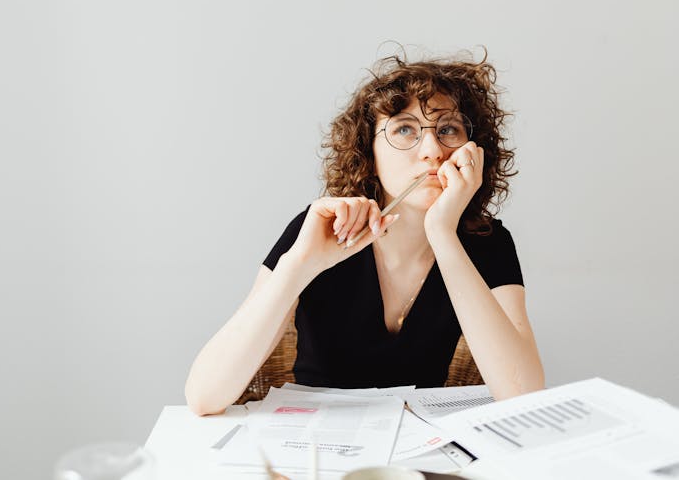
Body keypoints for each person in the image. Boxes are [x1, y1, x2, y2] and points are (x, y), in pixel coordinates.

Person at [185, 50, 545, 416]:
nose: (432, 151)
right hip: (314, 449)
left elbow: (524, 395)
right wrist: (300, 266)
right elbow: (203, 397)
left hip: (421, 454)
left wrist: (443, 233)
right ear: (369, 153)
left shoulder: (486, 240)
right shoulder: (321, 229)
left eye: (447, 129)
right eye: (404, 129)